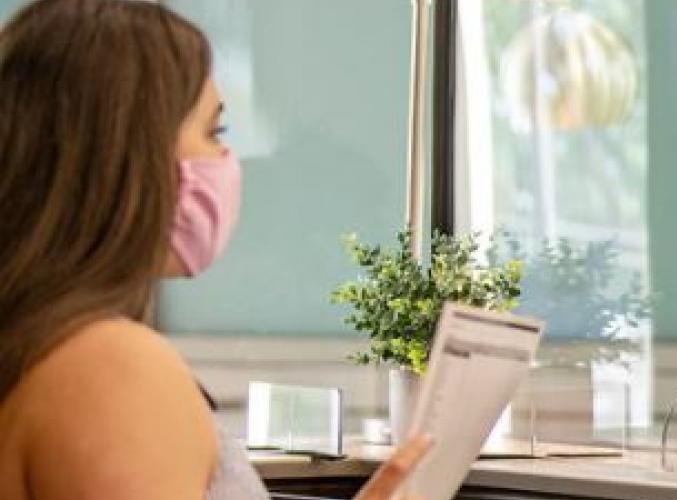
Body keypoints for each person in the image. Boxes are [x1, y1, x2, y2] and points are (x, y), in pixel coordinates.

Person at [0, 1, 426, 498]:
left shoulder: (39, 342)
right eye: (213, 132)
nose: (228, 160)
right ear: (131, 155)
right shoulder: (110, 367)